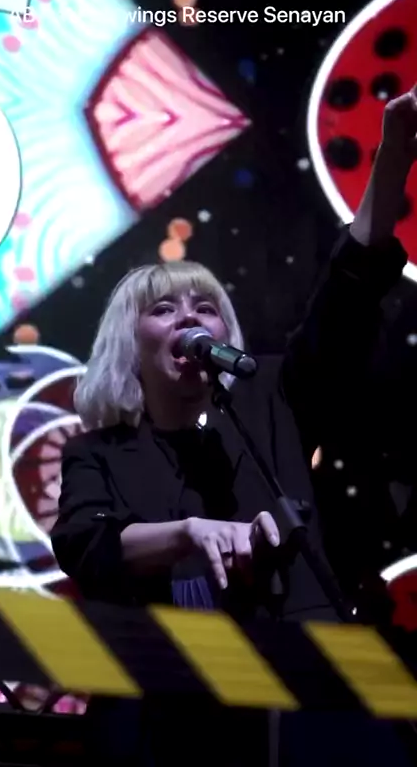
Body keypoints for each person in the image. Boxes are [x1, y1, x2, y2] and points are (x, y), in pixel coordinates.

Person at [51, 88, 417, 766]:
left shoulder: (271, 399)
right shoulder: (100, 453)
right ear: (130, 342)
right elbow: (87, 542)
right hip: (168, 708)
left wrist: (394, 153)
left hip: (305, 698)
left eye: (205, 306)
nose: (191, 317)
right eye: (165, 309)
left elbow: (350, 291)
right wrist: (188, 534)